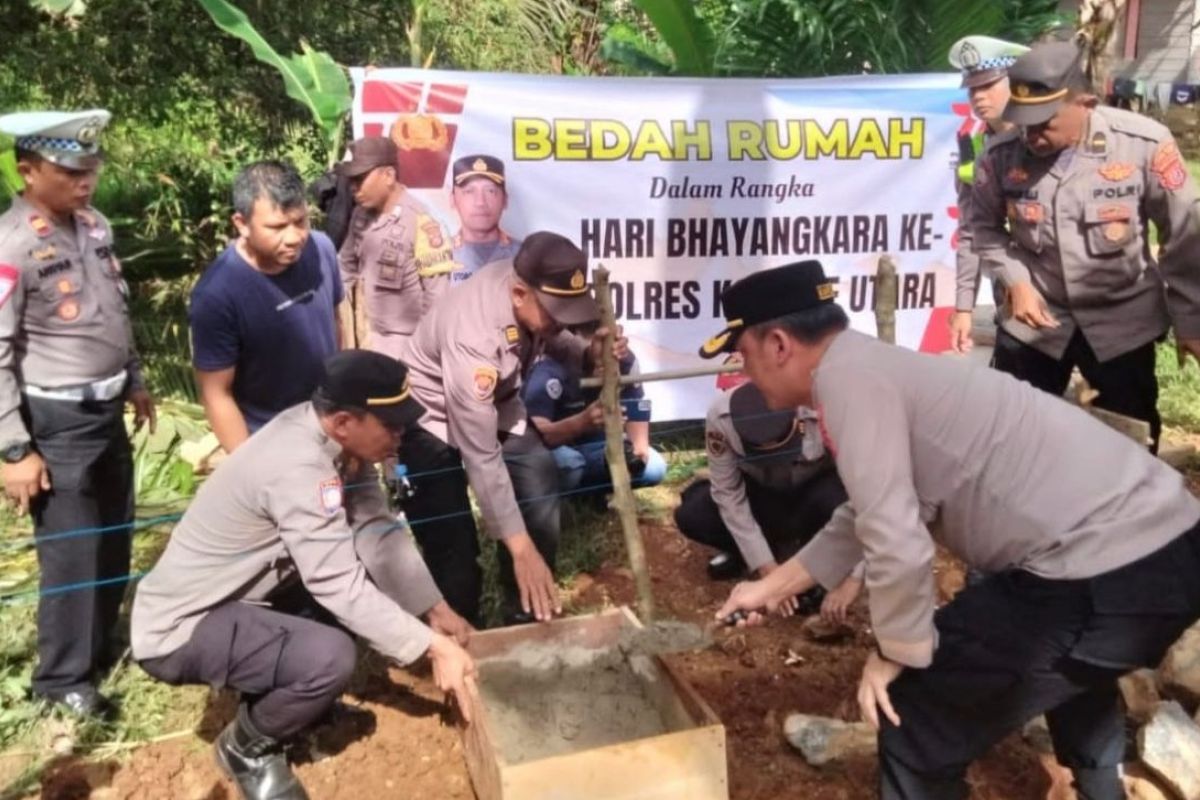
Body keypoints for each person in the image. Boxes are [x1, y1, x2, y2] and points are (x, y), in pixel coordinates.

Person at [706, 260, 1200, 800]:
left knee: (916, 716)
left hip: (1107, 572)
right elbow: (868, 514)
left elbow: (897, 540)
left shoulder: (849, 383)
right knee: (1058, 662)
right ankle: (1100, 787)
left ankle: (1093, 783)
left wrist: (895, 651)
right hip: (1165, 542)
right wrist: (770, 587)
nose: (743, 369)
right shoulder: (869, 367)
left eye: (744, 352)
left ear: (778, 343)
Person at [132, 350, 475, 800]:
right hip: (183, 626)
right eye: (390, 424)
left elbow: (376, 529)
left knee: (360, 591)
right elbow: (335, 583)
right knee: (329, 657)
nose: (400, 433)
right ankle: (246, 748)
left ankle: (294, 703)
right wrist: (433, 650)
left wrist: (435, 610)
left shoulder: (333, 439)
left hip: (243, 596)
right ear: (345, 422)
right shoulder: (299, 467)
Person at [0, 109, 156, 718]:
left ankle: (98, 642)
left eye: (90, 168)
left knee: (115, 536)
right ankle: (60, 680)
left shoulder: (94, 226)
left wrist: (136, 379)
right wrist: (14, 448)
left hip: (107, 410)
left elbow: (115, 310)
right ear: (28, 169)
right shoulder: (12, 243)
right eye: (69, 171)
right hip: (56, 422)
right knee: (71, 550)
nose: (84, 181)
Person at [969, 40, 1200, 451]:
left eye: (1045, 121)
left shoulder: (1143, 144)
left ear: (1086, 104)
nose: (1032, 134)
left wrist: (1190, 320)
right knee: (1010, 439)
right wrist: (1015, 280)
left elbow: (1184, 232)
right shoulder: (1002, 155)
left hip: (1121, 325)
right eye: (1024, 121)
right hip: (1035, 323)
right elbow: (982, 227)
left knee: (1128, 444)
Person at [398, 231, 624, 626]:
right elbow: (481, 455)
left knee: (538, 482)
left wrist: (589, 356)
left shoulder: (527, 285)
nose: (562, 321)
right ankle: (460, 639)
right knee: (455, 553)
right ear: (520, 294)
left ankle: (523, 616)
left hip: (500, 408)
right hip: (431, 421)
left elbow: (550, 334)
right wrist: (519, 547)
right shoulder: (475, 337)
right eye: (557, 311)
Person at [189, 160, 343, 454]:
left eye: (301, 221)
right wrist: (251, 468)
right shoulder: (217, 294)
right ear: (241, 224)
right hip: (270, 442)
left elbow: (336, 323)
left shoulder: (321, 249)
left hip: (333, 425)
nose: (294, 237)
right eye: (277, 227)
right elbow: (215, 394)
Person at [674, 383, 850, 610]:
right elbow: (728, 493)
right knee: (694, 512)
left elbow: (861, 494)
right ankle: (749, 554)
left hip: (814, 494)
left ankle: (817, 563)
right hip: (763, 497)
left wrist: (851, 578)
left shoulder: (824, 406)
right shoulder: (722, 418)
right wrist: (766, 568)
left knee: (836, 499)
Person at [945, 35, 1029, 354]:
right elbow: (970, 231)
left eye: (988, 85)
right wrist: (964, 307)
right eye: (972, 88)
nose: (978, 96)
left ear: (1017, 82)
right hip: (1011, 289)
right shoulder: (976, 151)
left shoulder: (1047, 140)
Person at [337, 136, 455, 359]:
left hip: (404, 346)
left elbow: (437, 298)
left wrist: (423, 353)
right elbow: (345, 270)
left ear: (388, 175)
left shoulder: (422, 223)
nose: (353, 188)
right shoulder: (360, 216)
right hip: (362, 337)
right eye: (351, 180)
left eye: (360, 179)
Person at [521, 346, 665, 496]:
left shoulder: (624, 358)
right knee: (570, 464)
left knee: (653, 468)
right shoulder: (548, 368)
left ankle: (596, 483)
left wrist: (638, 450)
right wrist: (581, 422)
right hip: (556, 447)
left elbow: (637, 406)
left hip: (597, 443)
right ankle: (562, 497)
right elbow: (533, 437)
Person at [447, 155, 522, 286]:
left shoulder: (525, 256)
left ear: (505, 200)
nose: (480, 202)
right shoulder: (438, 257)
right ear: (453, 200)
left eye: (490, 191)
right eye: (469, 191)